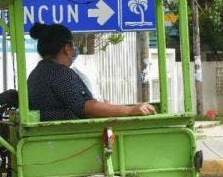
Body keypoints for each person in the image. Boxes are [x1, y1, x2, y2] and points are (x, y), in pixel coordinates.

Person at [27, 23, 156, 121]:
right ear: (67, 48)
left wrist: (104, 107)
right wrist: (130, 110)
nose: (74, 50)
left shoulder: (36, 74)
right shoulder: (60, 74)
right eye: (72, 46)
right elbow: (85, 107)